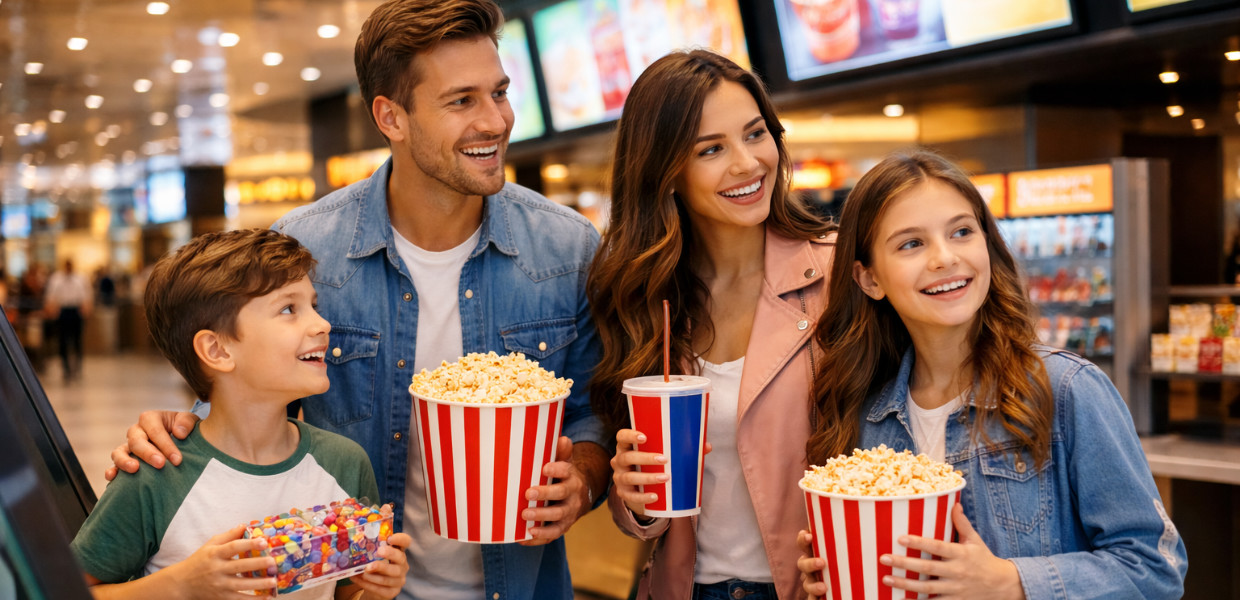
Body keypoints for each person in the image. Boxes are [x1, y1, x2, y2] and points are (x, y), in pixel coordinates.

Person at [106, 2, 611, 599]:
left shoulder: (567, 246)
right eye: (461, 101)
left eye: (498, 93)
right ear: (390, 116)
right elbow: (252, 404)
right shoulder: (307, 250)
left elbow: (592, 410)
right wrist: (179, 431)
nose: (496, 121)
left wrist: (580, 479)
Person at [796, 150, 1187, 599]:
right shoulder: (863, 413)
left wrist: (1012, 583)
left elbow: (1155, 570)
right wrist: (836, 575)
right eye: (911, 243)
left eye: (962, 232)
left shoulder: (1066, 389)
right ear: (869, 280)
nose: (945, 258)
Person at [591, 49, 835, 600]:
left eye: (755, 134)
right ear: (666, 173)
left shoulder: (838, 277)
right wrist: (633, 497)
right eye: (711, 149)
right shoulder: (643, 301)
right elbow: (640, 516)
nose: (747, 163)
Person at [71, 228, 412, 599]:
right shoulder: (156, 476)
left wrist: (377, 591)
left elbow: (345, 593)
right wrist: (181, 584)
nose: (322, 325)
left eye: (315, 306)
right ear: (217, 350)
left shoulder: (344, 464)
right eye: (288, 309)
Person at [44, 258, 93, 380]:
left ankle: (78, 366)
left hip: (76, 310)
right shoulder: (56, 279)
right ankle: (66, 367)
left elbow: (87, 295)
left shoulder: (80, 278)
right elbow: (50, 296)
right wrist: (51, 309)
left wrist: (86, 308)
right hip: (63, 311)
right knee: (63, 341)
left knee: (77, 340)